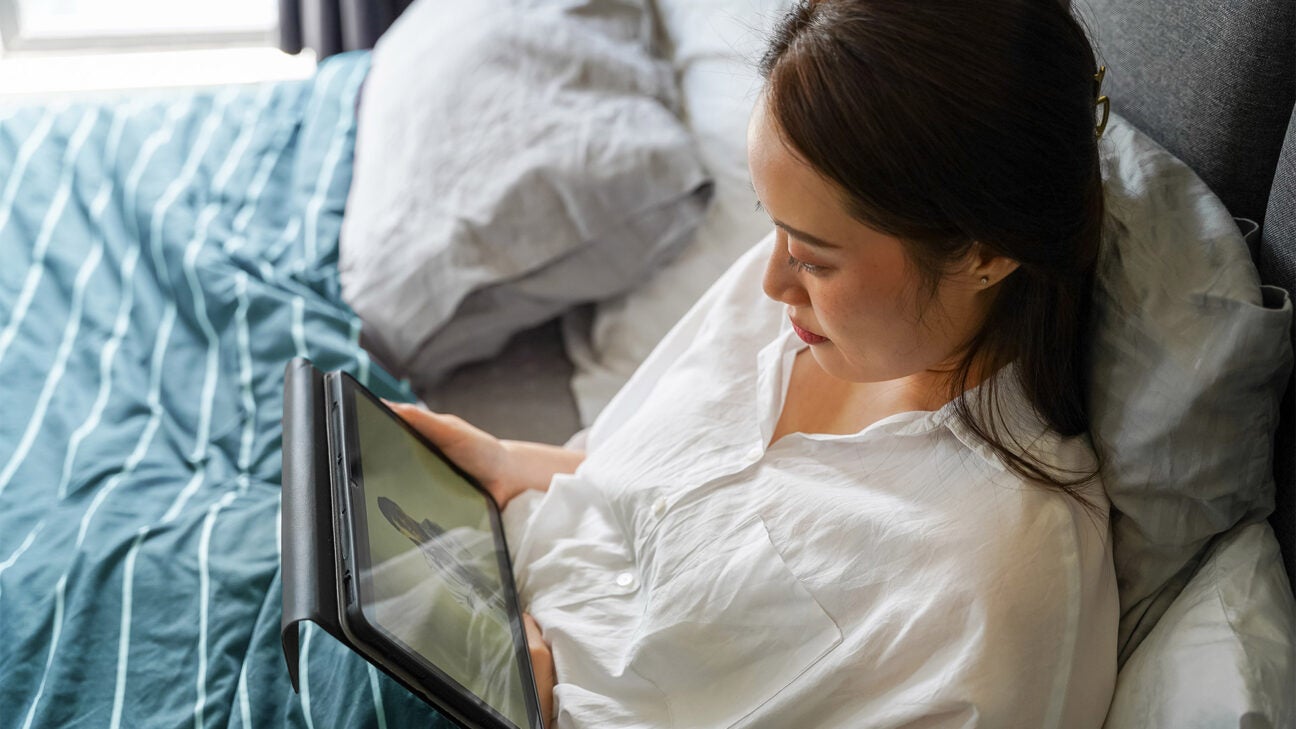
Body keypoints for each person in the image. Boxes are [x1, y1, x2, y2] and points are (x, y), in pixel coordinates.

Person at [390, 0, 1118, 725]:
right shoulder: (801, 309)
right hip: (481, 593)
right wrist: (509, 461)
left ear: (984, 252)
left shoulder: (997, 581)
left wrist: (536, 708)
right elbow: (658, 495)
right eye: (774, 224)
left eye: (813, 257)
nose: (772, 281)